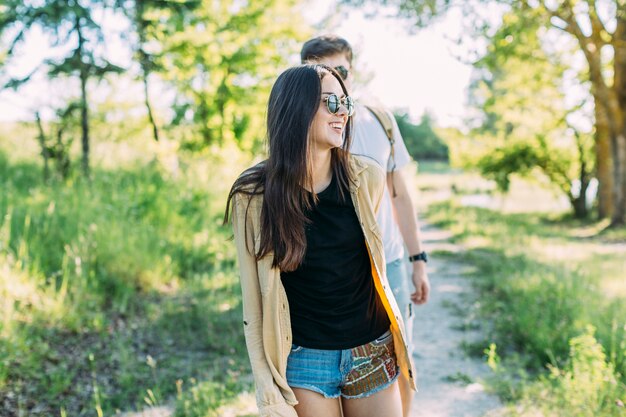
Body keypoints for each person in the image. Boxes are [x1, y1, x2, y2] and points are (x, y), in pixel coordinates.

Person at [225, 64, 416, 417]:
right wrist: (265, 382)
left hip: (370, 350)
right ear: (296, 108)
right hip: (304, 359)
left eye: (345, 102)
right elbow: (253, 302)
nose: (342, 111)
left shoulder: (366, 178)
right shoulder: (253, 196)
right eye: (331, 101)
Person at [301, 35, 430, 416]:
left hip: (385, 263)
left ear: (351, 72)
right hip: (328, 274)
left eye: (339, 70)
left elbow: (400, 195)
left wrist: (417, 258)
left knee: (399, 361)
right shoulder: (301, 126)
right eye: (317, 72)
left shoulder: (379, 120)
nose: (333, 81)